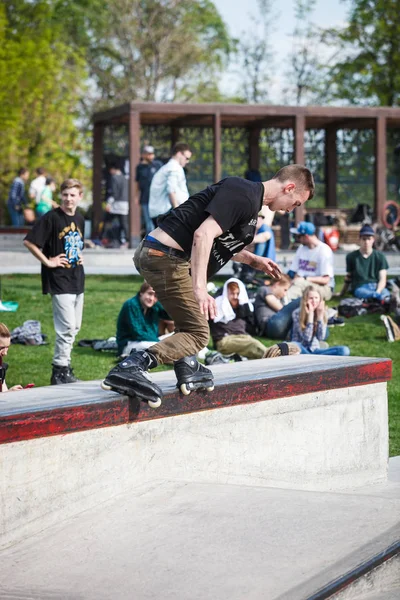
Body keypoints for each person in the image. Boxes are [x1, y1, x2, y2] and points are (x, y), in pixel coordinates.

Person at [102, 164, 315, 405]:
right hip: (166, 256)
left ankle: (187, 366)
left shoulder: (251, 205)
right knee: (198, 333)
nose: (289, 211)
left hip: (165, 256)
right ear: (289, 187)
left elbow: (218, 241)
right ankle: (133, 366)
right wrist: (200, 289)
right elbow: (202, 235)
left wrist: (252, 259)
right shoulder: (243, 193)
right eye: (295, 204)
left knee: (191, 323)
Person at [23, 179, 85, 385]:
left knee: (75, 327)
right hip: (59, 279)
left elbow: (74, 242)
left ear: (79, 197)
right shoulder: (51, 218)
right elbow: (30, 242)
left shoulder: (80, 218)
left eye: (72, 195)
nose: (68, 199)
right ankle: (59, 371)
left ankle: (65, 368)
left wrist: (79, 255)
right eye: (65, 194)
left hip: (77, 277)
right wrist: (48, 261)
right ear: (60, 195)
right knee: (66, 327)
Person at [209, 278, 278, 359]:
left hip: (243, 338)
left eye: (237, 293)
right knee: (252, 344)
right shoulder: (219, 305)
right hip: (224, 340)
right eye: (232, 293)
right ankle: (273, 357)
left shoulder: (243, 306)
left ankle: (272, 357)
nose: (235, 296)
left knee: (252, 347)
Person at [116, 282, 174, 357]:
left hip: (152, 341)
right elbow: (138, 333)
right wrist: (159, 343)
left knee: (177, 337)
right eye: (150, 294)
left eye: (156, 296)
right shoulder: (131, 305)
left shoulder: (154, 305)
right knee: (162, 347)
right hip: (130, 343)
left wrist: (163, 300)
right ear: (141, 293)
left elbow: (170, 317)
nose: (152, 298)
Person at [336, 224, 390, 301]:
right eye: (364, 239)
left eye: (369, 239)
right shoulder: (352, 256)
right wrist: (342, 292)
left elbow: (382, 279)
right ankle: (380, 300)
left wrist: (378, 291)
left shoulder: (380, 256)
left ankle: (381, 300)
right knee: (362, 293)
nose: (366, 242)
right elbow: (348, 277)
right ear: (359, 239)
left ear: (373, 239)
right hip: (360, 287)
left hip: (376, 285)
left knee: (385, 293)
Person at [291, 286, 350, 356]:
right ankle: (316, 359)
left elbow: (321, 337)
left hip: (315, 350)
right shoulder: (297, 313)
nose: (314, 301)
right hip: (300, 349)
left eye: (316, 298)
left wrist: (320, 317)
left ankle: (312, 359)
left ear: (320, 300)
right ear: (305, 299)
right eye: (311, 298)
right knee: (293, 345)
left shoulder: (322, 313)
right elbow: (307, 338)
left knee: (344, 350)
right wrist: (310, 315)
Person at [286, 221, 334, 301]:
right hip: (301, 283)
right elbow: (293, 272)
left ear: (306, 236)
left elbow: (326, 280)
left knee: (299, 284)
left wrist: (305, 278)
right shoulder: (301, 248)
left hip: (324, 288)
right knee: (284, 284)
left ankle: (283, 302)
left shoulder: (324, 250)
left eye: (298, 237)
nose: (297, 239)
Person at [148, 142, 191, 221]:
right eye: (186, 158)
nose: (187, 161)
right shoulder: (175, 167)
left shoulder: (166, 167)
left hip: (159, 212)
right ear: (179, 154)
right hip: (167, 212)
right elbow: (171, 189)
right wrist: (177, 211)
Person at [135, 145, 163, 235]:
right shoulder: (139, 167)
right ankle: (150, 244)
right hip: (145, 198)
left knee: (159, 222)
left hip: (157, 199)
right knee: (149, 223)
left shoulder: (158, 165)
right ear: (143, 155)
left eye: (152, 154)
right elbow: (137, 183)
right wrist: (136, 196)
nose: (150, 156)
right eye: (148, 154)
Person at [105, 164, 129, 248]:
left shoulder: (114, 178)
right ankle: (127, 241)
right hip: (125, 203)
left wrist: (109, 204)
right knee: (124, 223)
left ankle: (115, 240)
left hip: (116, 204)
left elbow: (114, 192)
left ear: (113, 169)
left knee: (113, 223)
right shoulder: (125, 178)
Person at [0, 323, 24, 392]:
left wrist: (10, 392)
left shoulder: (1, 367)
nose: (5, 353)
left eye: (7, 347)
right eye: (1, 348)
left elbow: (3, 394)